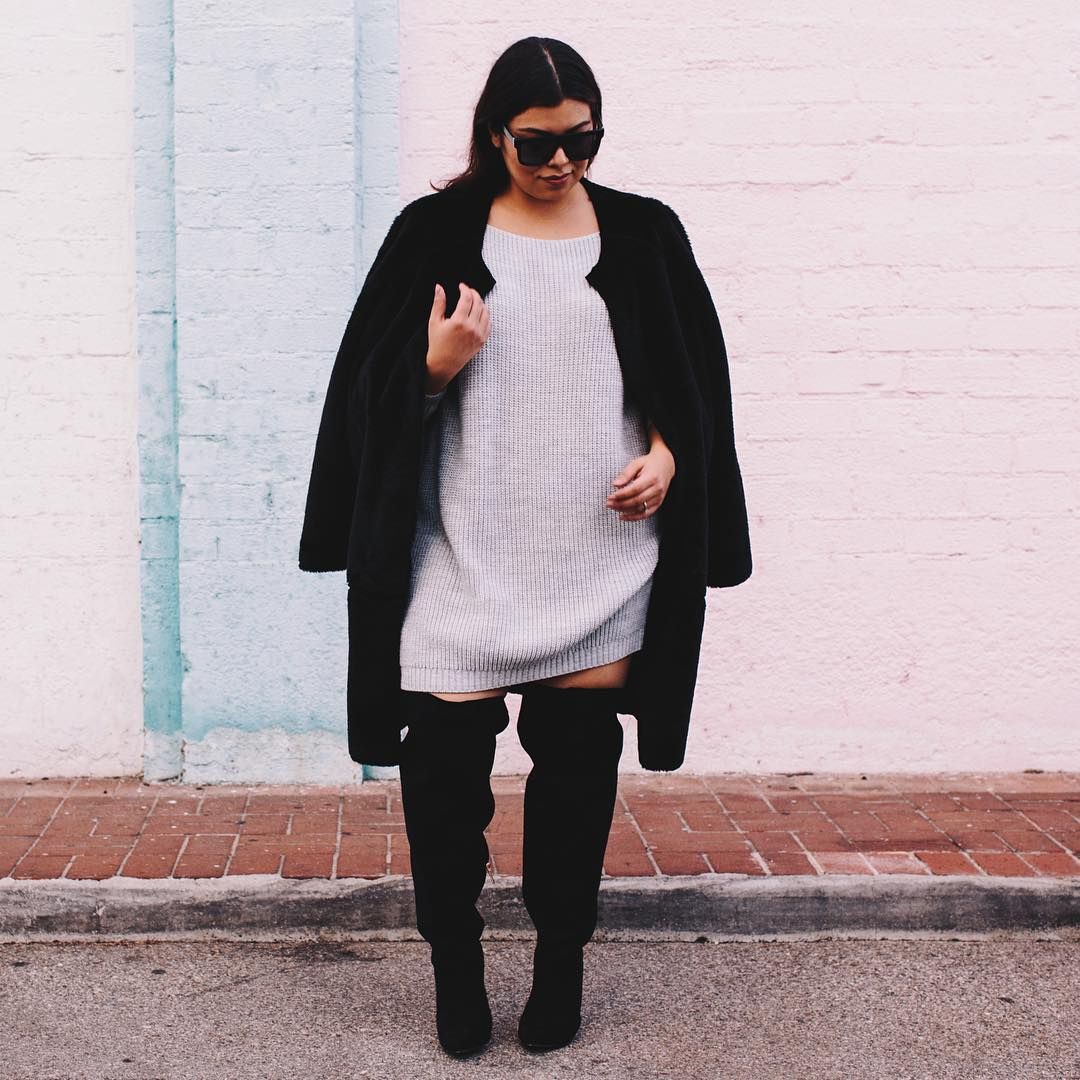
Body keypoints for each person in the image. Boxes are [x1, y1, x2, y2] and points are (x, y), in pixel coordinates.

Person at [299, 34, 753, 1061]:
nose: (562, 161)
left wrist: (670, 457)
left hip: (598, 563)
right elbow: (361, 403)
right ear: (495, 134)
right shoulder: (434, 234)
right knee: (442, 788)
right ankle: (456, 967)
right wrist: (433, 364)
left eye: (582, 140)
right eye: (538, 142)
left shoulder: (644, 233)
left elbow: (694, 385)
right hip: (457, 562)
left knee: (576, 790)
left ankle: (560, 966)